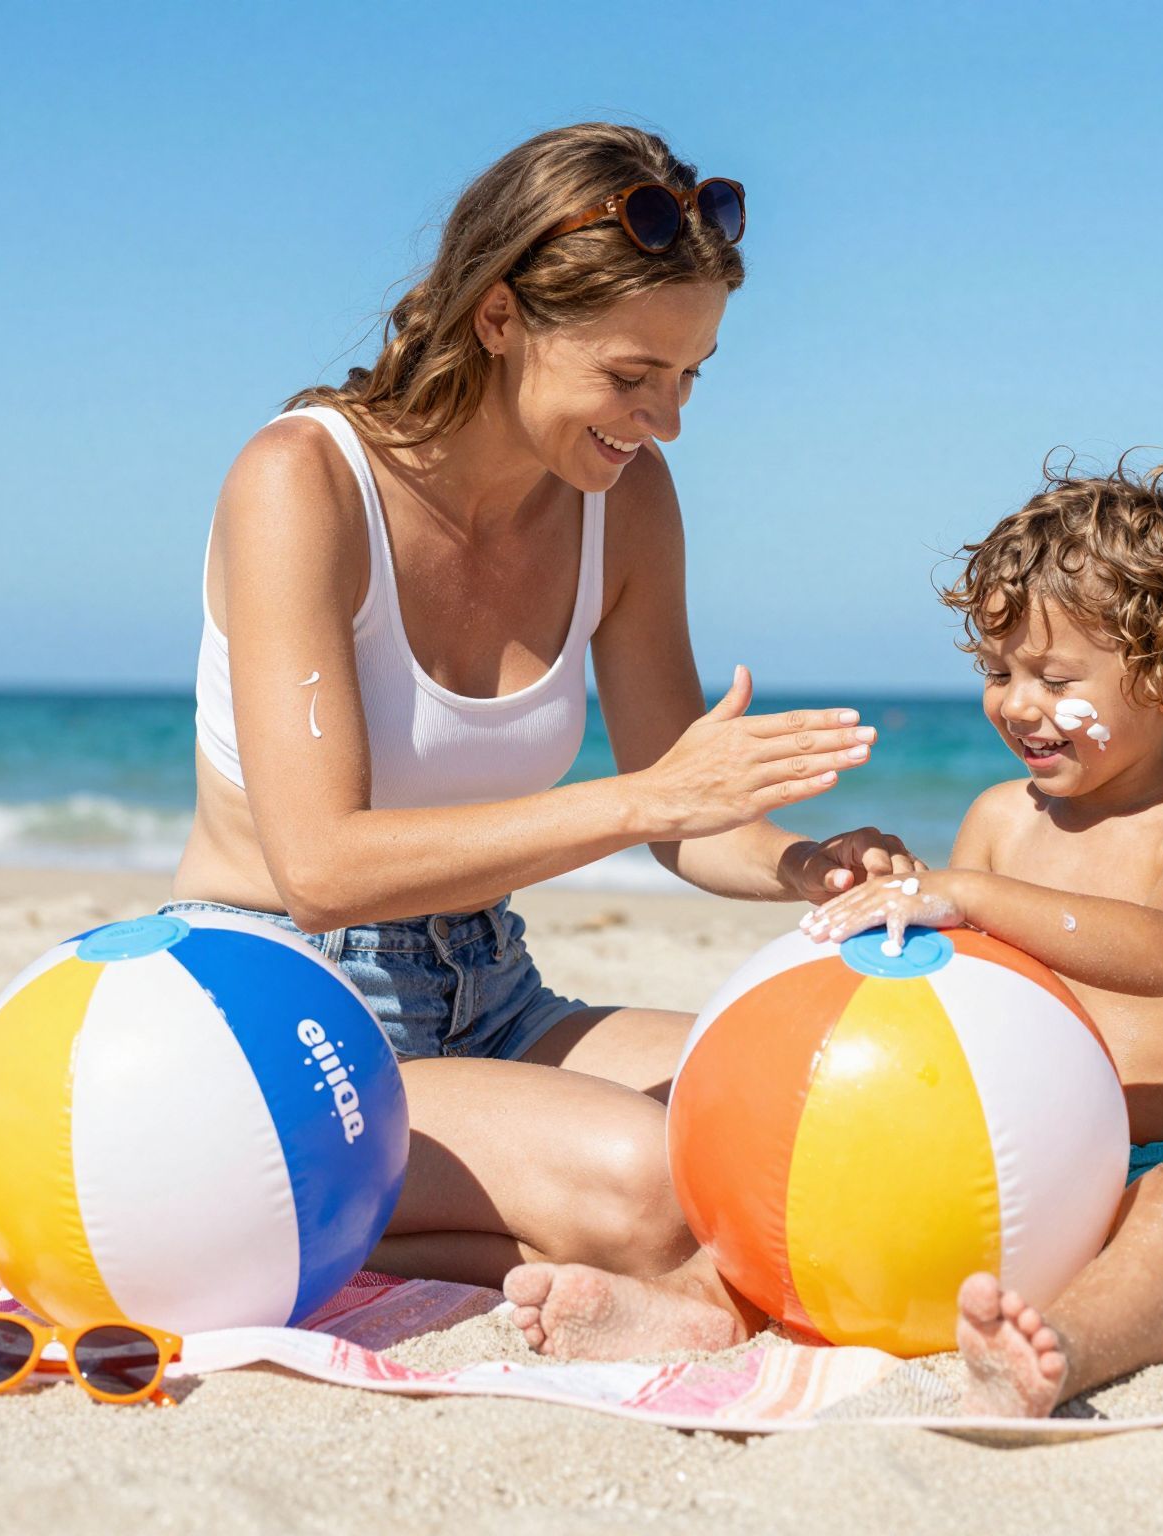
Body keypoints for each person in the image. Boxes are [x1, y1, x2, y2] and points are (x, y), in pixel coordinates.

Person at [167, 123, 916, 1290]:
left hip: (491, 982)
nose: (664, 420)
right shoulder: (302, 482)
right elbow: (320, 867)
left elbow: (687, 812)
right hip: (287, 1002)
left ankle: (565, 1248)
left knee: (837, 1103)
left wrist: (804, 867)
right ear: (500, 318)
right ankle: (598, 1260)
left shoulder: (625, 501)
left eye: (688, 377)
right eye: (630, 376)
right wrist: (640, 799)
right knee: (655, 1181)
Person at [505, 456, 1163, 1423]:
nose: (1017, 703)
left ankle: (1062, 1353)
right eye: (999, 673)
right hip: (1028, 1171)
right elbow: (957, 1001)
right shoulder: (1002, 821)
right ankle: (703, 1307)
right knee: (829, 1184)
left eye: (1054, 676)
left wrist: (963, 891)